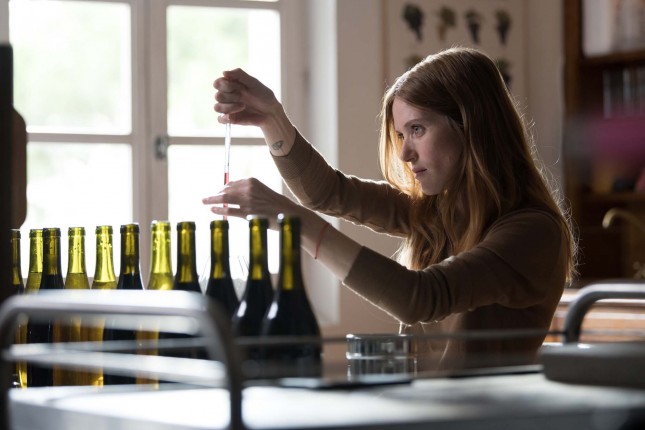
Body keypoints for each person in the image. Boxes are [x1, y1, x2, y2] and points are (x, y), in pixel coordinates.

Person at [203, 47, 576, 372]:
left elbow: (419, 298)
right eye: (400, 135)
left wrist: (296, 224)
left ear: (470, 125)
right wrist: (271, 117)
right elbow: (327, 193)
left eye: (417, 129)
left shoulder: (533, 232)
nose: (405, 153)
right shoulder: (440, 213)